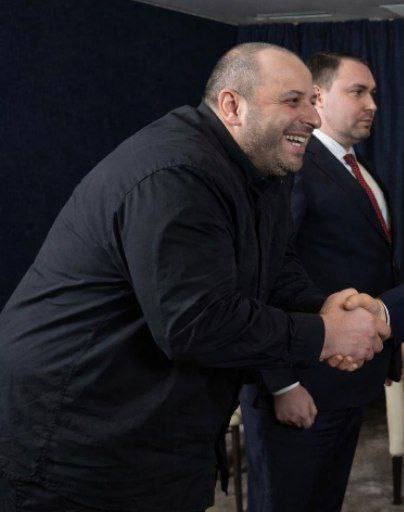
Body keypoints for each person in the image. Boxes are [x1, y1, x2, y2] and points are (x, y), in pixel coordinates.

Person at [0, 44, 388, 512]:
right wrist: (325, 335)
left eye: (311, 100)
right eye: (292, 101)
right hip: (74, 445)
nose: (311, 116)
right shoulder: (177, 173)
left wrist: (323, 306)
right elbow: (195, 324)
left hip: (154, 440)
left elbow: (274, 267)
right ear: (232, 105)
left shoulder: (263, 168)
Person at [240, 52, 402, 512]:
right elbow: (262, 277)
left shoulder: (362, 171)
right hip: (301, 386)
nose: (372, 104)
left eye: (374, 93)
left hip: (350, 381)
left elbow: (375, 267)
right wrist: (281, 385)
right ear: (318, 97)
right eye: (358, 92)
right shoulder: (293, 166)